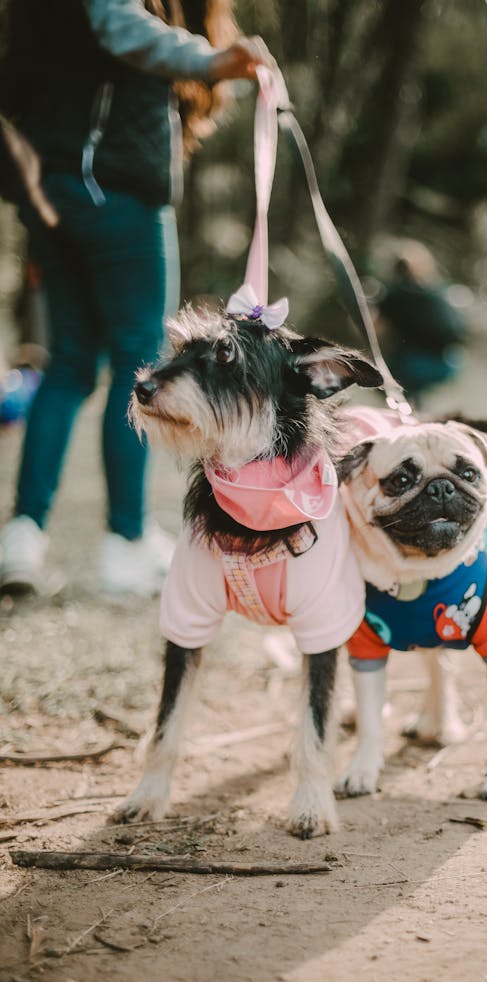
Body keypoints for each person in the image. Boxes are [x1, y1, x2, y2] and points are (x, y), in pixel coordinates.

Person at [0, 0, 274, 596]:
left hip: (50, 185)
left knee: (69, 364)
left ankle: (23, 536)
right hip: (112, 186)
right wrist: (212, 59)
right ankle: (124, 542)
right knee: (139, 358)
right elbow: (117, 21)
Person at [376, 240, 469, 409]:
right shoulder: (438, 290)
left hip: (416, 363)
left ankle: (406, 412)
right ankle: (412, 408)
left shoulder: (395, 294)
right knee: (406, 386)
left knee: (381, 377)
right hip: (450, 362)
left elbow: (376, 331)